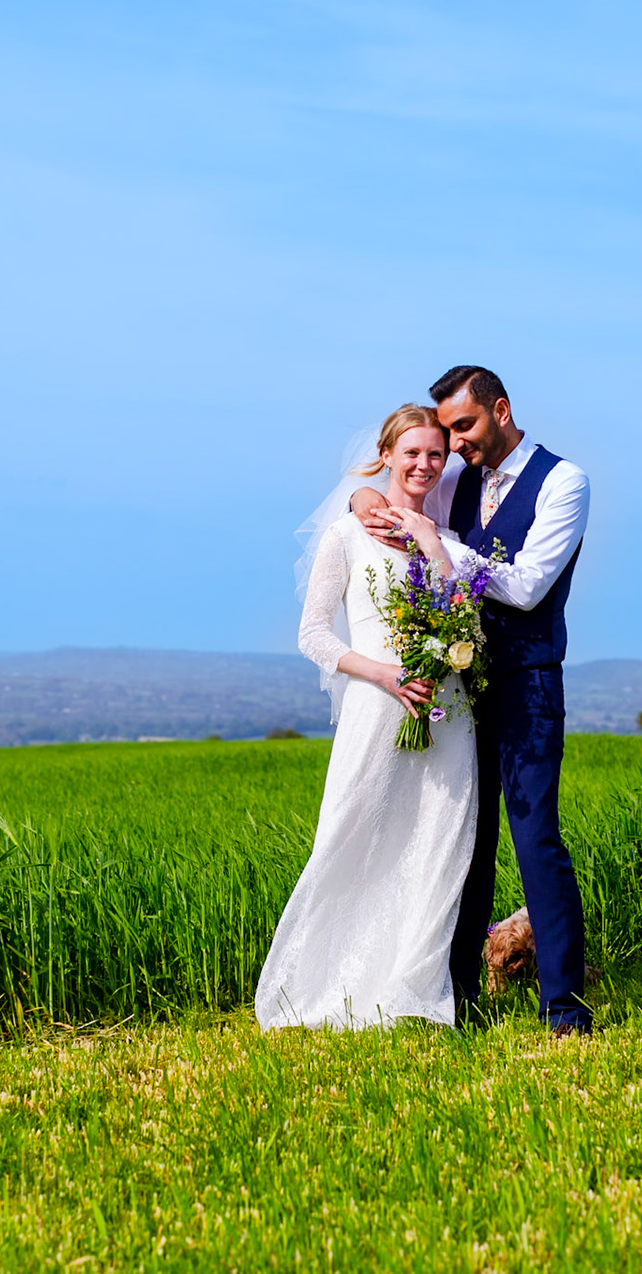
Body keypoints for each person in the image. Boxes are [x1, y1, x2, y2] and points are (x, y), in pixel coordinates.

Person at [351, 366, 593, 1037]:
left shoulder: (564, 482)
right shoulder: (458, 477)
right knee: (465, 839)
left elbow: (526, 588)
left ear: (502, 410)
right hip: (457, 689)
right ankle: (456, 996)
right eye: (447, 430)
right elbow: (403, 491)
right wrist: (361, 506)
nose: (453, 444)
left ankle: (565, 1008)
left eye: (464, 426)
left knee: (535, 837)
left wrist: (438, 544)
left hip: (528, 681)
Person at [255, 405, 477, 1030]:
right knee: (352, 837)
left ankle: (412, 991)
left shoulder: (450, 544)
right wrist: (385, 676)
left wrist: (432, 544)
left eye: (436, 454)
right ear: (386, 455)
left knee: (435, 842)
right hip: (377, 707)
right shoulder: (348, 534)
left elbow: (466, 617)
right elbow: (313, 635)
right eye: (412, 453)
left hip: (445, 713)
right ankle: (324, 987)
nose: (425, 465)